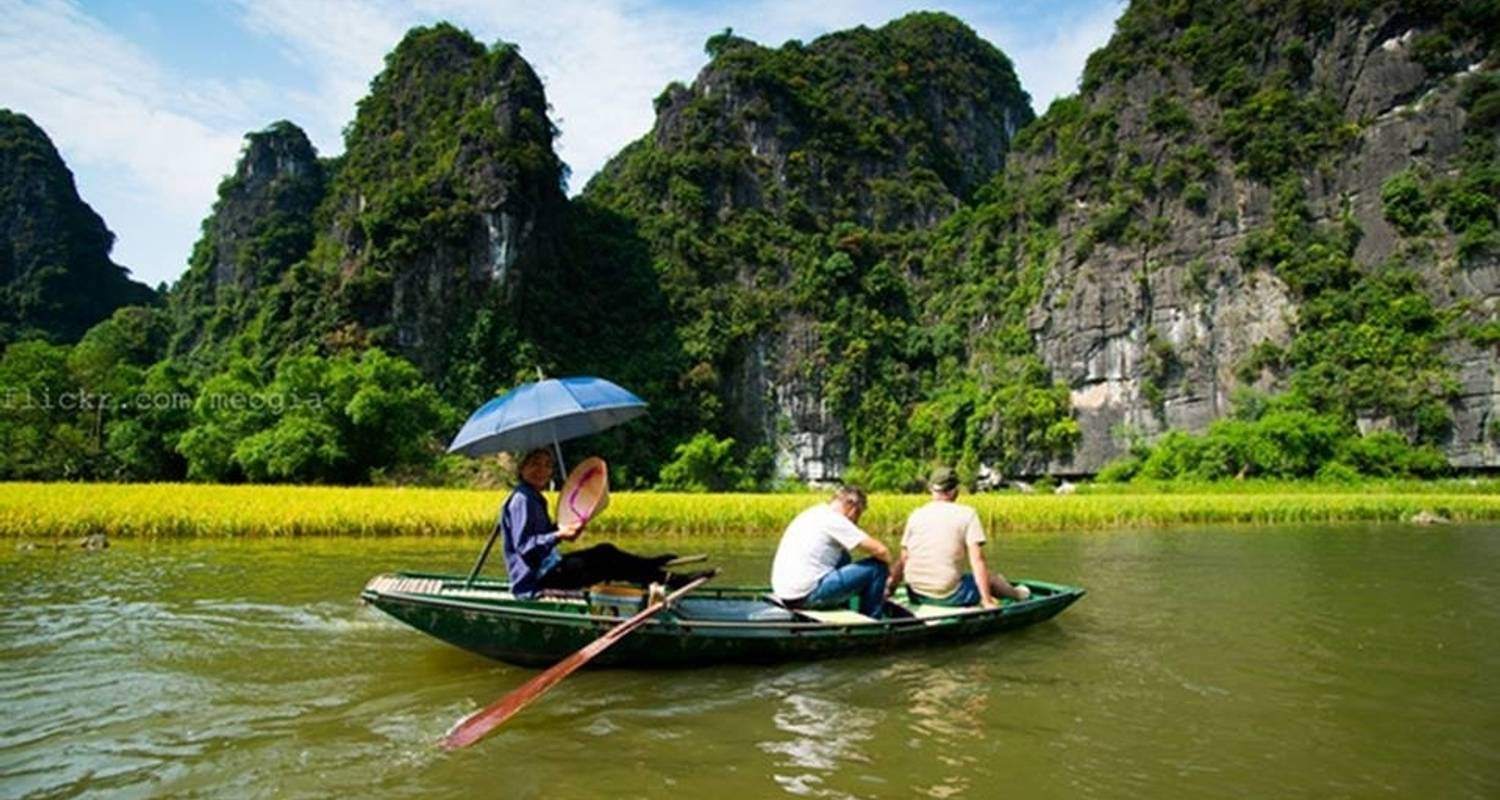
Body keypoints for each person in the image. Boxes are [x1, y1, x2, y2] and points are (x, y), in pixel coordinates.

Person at [501, 447, 709, 598]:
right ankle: (667, 577)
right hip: (537, 579)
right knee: (607, 561)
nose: (542, 470)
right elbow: (525, 547)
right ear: (522, 468)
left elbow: (543, 536)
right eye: (534, 464)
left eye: (547, 465)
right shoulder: (522, 500)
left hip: (551, 567)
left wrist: (564, 527)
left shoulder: (534, 497)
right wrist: (558, 535)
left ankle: (656, 570)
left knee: (605, 552)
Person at [898, 467, 1030, 608]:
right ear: (954, 490)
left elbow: (904, 558)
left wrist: (891, 588)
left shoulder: (916, 515)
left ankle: (1002, 587)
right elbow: (977, 561)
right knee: (991, 579)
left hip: (915, 593)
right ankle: (1018, 594)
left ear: (931, 489)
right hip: (948, 594)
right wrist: (987, 601)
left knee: (964, 576)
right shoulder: (967, 514)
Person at [770, 485, 894, 618]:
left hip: (785, 593)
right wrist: (890, 577)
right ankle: (872, 619)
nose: (857, 521)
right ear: (853, 509)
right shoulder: (836, 520)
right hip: (804, 596)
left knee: (844, 556)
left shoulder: (815, 512)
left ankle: (842, 604)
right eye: (859, 514)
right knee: (877, 567)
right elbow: (881, 551)